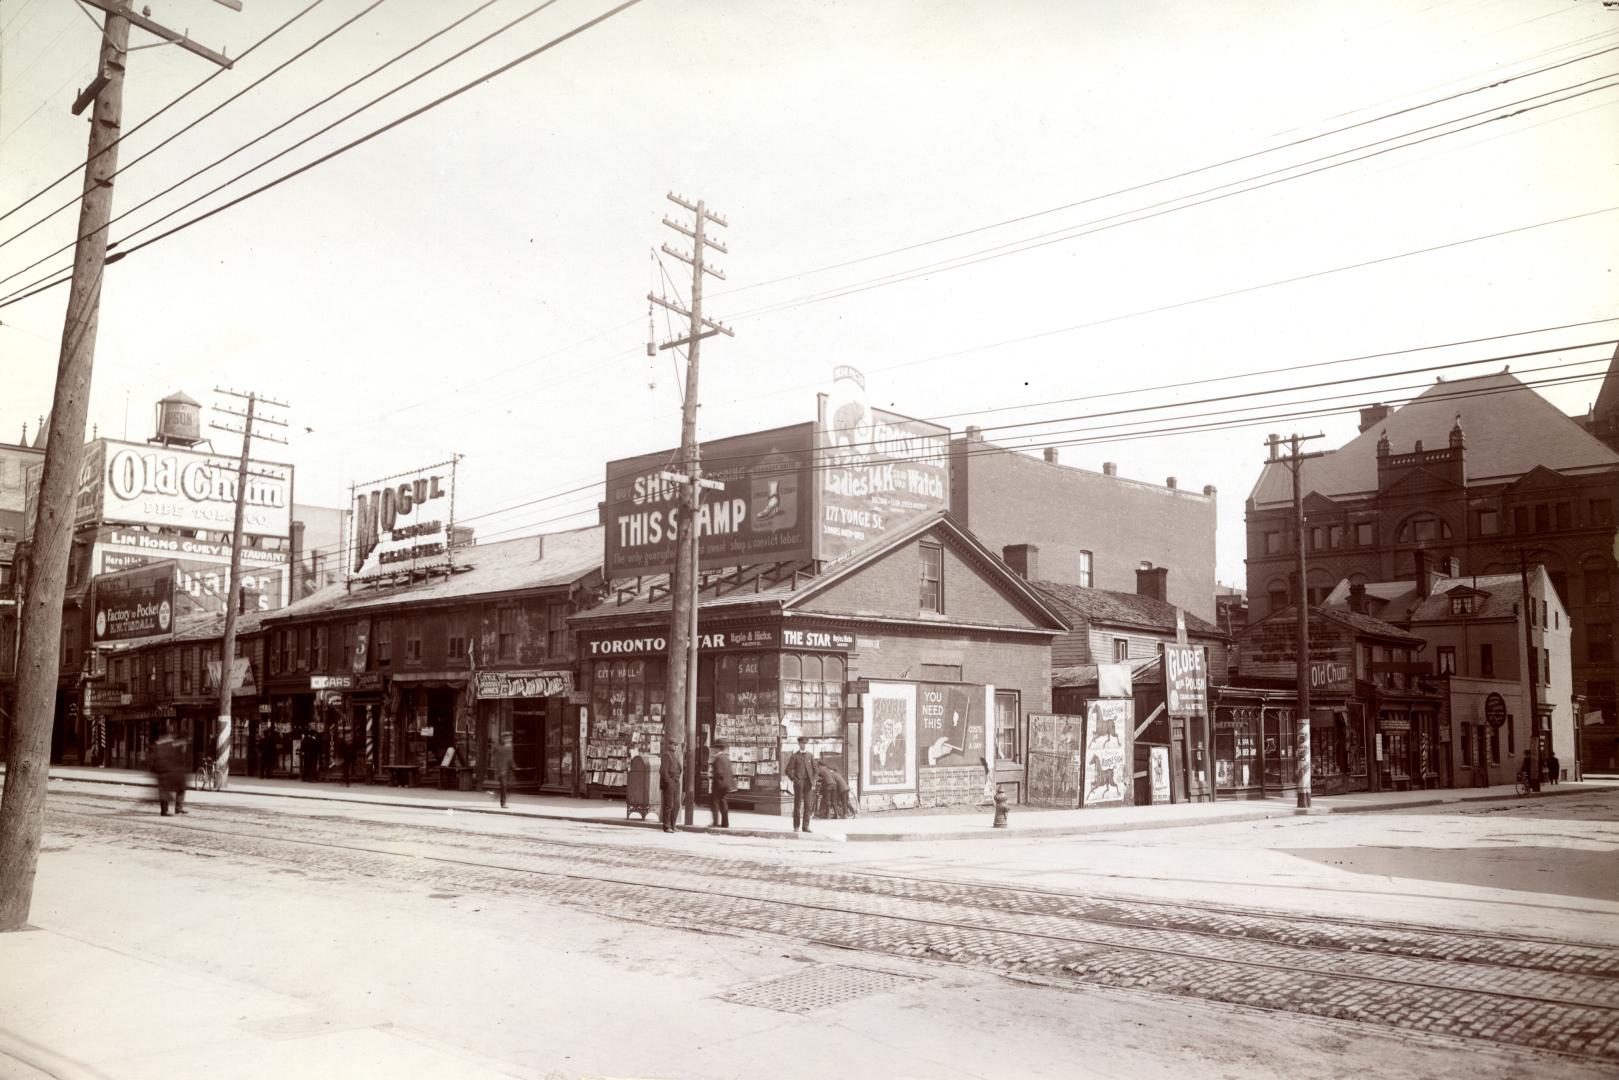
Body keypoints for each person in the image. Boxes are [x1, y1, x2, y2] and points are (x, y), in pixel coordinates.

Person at [785, 736, 816, 833]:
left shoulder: (810, 756)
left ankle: (805, 826)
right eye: (802, 743)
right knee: (797, 804)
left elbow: (816, 770)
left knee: (808, 805)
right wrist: (795, 779)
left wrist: (813, 780)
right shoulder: (795, 756)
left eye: (805, 744)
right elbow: (788, 770)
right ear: (799, 744)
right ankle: (796, 826)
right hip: (799, 784)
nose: (803, 745)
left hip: (808, 784)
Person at [659, 743, 683, 832]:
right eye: (673, 745)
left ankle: (673, 825)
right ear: (669, 745)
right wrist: (669, 782)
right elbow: (663, 771)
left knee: (676, 804)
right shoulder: (666, 755)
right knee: (668, 805)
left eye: (676, 745)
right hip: (670, 782)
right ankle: (666, 826)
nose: (675, 747)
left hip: (676, 782)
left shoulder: (675, 756)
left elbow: (679, 768)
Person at [709, 742, 734, 829]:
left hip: (719, 784)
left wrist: (712, 776)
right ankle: (725, 823)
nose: (714, 750)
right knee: (723, 802)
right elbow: (730, 772)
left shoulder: (718, 758)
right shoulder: (726, 758)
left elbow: (718, 772)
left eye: (715, 748)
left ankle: (715, 823)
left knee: (714, 802)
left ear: (718, 748)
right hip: (726, 784)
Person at [492, 732, 515, 808]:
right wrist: (499, 770)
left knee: (507, 786)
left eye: (510, 738)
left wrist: (514, 766)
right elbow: (496, 759)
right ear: (503, 739)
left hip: (508, 770)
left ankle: (497, 793)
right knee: (504, 786)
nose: (509, 739)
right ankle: (503, 803)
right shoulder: (498, 747)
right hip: (502, 770)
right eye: (507, 738)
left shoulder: (510, 747)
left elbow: (510, 758)